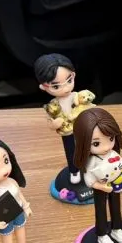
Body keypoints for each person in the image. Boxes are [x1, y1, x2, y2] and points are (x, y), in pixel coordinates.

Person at [74, 107, 122, 243]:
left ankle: (117, 228)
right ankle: (101, 234)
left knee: (116, 206)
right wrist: (100, 186)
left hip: (116, 183)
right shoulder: (92, 161)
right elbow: (88, 180)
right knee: (100, 210)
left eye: (111, 139)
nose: (106, 147)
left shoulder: (113, 154)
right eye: (96, 143)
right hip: (101, 186)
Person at [35, 53, 95, 187]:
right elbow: (50, 121)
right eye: (56, 86)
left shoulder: (77, 96)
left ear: (74, 75)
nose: (66, 88)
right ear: (43, 87)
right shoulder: (53, 105)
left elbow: (87, 104)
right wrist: (54, 124)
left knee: (88, 147)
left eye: (69, 80)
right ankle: (74, 171)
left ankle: (89, 166)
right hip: (67, 132)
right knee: (71, 151)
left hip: (83, 127)